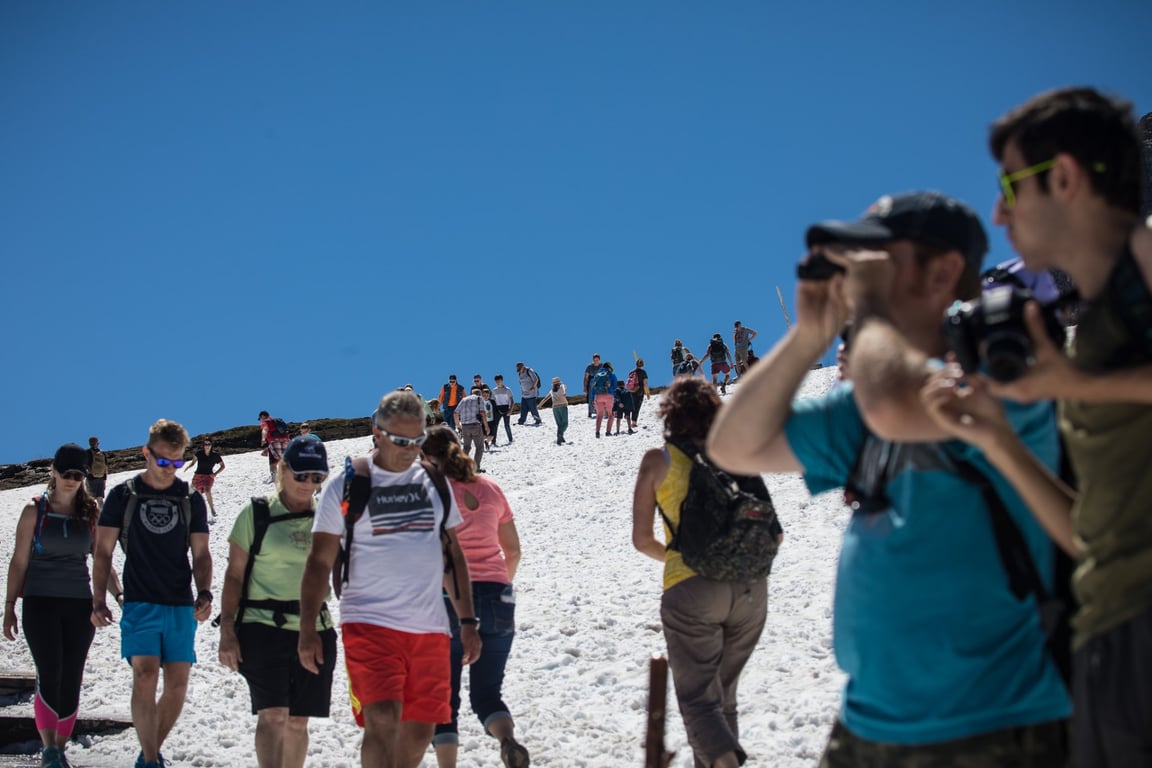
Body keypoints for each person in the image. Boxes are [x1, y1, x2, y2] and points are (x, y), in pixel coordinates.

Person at [708, 191, 1070, 766]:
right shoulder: (866, 404)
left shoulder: (1002, 382)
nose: (860, 276)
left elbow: (895, 403)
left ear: (946, 270)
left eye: (881, 258)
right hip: (867, 722)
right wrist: (807, 336)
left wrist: (869, 309)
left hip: (992, 724)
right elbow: (733, 443)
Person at [921, 87, 1152, 767]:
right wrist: (996, 437)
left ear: (1066, 179)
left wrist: (1077, 386)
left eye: (1011, 188)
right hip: (1107, 653)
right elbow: (1092, 537)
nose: (999, 212)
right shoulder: (1104, 323)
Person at [298, 391, 480, 768]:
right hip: (368, 622)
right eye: (401, 441)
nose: (410, 450)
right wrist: (307, 628)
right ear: (376, 433)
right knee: (382, 718)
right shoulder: (347, 484)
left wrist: (467, 620)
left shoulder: (434, 481)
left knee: (420, 730)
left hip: (429, 626)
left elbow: (452, 555)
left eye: (418, 441)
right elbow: (319, 561)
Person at [631, 378, 772, 768]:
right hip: (750, 588)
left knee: (698, 700)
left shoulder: (658, 461)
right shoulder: (734, 455)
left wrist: (685, 560)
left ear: (668, 414)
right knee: (724, 699)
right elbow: (771, 528)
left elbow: (641, 540)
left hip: (691, 588)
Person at [92, 419, 213, 768]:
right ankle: (149, 759)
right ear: (146, 453)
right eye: (163, 461)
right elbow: (103, 552)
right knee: (145, 676)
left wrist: (204, 592)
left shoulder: (190, 498)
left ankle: (149, 754)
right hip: (140, 602)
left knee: (176, 687)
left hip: (179, 604)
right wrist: (99, 599)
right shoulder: (122, 495)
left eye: (176, 462)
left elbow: (201, 554)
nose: (169, 469)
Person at [218, 436, 336, 768]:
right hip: (261, 627)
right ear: (283, 470)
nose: (308, 484)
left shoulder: (327, 520)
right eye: (301, 475)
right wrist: (227, 628)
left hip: (316, 628)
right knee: (273, 715)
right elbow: (234, 575)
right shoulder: (256, 514)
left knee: (298, 720)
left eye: (317, 477)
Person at [3, 444, 120, 768]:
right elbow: (19, 560)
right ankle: (49, 749)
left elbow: (101, 560)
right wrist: (10, 605)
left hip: (79, 604)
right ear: (53, 472)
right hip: (40, 602)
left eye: (78, 474)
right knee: (50, 670)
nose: (71, 479)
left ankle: (60, 747)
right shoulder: (34, 510)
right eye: (66, 473)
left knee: (72, 675)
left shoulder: (90, 512)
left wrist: (118, 595)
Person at [422, 426, 530, 768]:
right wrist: (500, 587)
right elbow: (512, 551)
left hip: (447, 598)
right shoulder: (490, 488)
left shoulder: (431, 493)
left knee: (443, 698)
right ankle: (507, 740)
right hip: (497, 596)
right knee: (487, 694)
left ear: (426, 458)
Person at [183, 437, 225, 523]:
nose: (207, 446)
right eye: (205, 444)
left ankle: (212, 509)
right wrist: (188, 467)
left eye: (208, 444)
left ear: (211, 445)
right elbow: (193, 462)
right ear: (203, 445)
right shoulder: (199, 453)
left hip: (208, 476)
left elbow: (223, 466)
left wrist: (215, 474)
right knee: (191, 494)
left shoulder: (215, 455)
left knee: (207, 490)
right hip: (198, 476)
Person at [454, 386, 490, 473]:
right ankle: (476, 467)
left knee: (466, 447)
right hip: (475, 426)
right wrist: (486, 426)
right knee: (479, 447)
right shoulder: (479, 399)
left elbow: (455, 413)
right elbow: (482, 412)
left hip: (465, 427)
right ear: (479, 394)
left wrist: (458, 425)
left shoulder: (463, 400)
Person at [259, 411, 291, 484]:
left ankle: (274, 477)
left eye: (260, 418)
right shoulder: (277, 421)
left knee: (273, 462)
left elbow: (265, 429)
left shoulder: (266, 422)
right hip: (286, 441)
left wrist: (263, 438)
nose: (260, 420)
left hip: (274, 442)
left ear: (263, 416)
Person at [589, 361, 617, 439]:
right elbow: (615, 386)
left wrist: (592, 398)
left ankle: (597, 432)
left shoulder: (596, 376)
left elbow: (593, 388)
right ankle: (608, 432)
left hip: (598, 396)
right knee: (611, 414)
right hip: (609, 395)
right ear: (609, 368)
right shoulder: (612, 375)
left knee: (599, 415)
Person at [537, 376, 569, 445]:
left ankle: (560, 438)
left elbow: (545, 398)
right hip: (563, 406)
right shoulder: (562, 386)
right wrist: (564, 392)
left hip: (555, 408)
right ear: (559, 382)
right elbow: (564, 388)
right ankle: (560, 435)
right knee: (565, 423)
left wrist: (540, 405)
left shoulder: (552, 390)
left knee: (559, 424)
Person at [84, 436, 110, 508]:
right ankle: (101, 516)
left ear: (89, 443)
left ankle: (91, 517)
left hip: (91, 478)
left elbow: (84, 466)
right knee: (100, 499)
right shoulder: (102, 453)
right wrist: (104, 480)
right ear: (97, 443)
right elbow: (106, 467)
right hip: (101, 478)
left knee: (90, 499)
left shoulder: (87, 452)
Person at [490, 375, 515, 444]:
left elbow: (512, 401)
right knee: (495, 425)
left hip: (506, 408)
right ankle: (493, 441)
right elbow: (492, 401)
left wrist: (510, 410)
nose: (498, 382)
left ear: (502, 380)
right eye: (496, 381)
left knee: (506, 425)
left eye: (499, 381)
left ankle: (510, 439)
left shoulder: (507, 390)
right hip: (497, 409)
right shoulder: (494, 390)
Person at [625, 359, 650, 427]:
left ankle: (627, 417)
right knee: (637, 407)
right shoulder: (643, 372)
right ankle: (633, 422)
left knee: (632, 406)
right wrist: (647, 393)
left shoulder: (631, 372)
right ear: (643, 365)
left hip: (631, 391)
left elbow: (628, 382)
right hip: (639, 392)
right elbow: (645, 383)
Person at [582, 353, 602, 418]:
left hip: (600, 383)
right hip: (592, 384)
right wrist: (585, 387)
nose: (596, 361)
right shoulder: (589, 367)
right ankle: (590, 412)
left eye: (597, 360)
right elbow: (586, 377)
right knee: (591, 398)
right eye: (595, 360)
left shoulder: (602, 366)